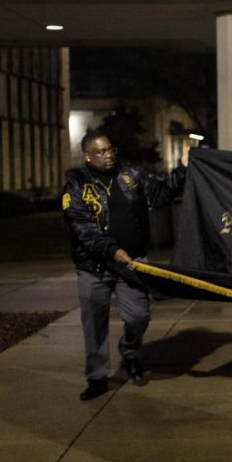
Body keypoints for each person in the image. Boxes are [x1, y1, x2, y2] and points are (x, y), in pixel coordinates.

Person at [63, 131, 187, 401]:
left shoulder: (130, 175)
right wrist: (111, 249)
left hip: (132, 264)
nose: (108, 155)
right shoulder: (76, 186)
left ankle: (130, 352)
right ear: (87, 156)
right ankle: (96, 378)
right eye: (101, 152)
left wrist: (183, 169)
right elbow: (81, 228)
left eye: (110, 149)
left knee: (139, 317)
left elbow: (161, 193)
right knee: (95, 324)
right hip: (93, 267)